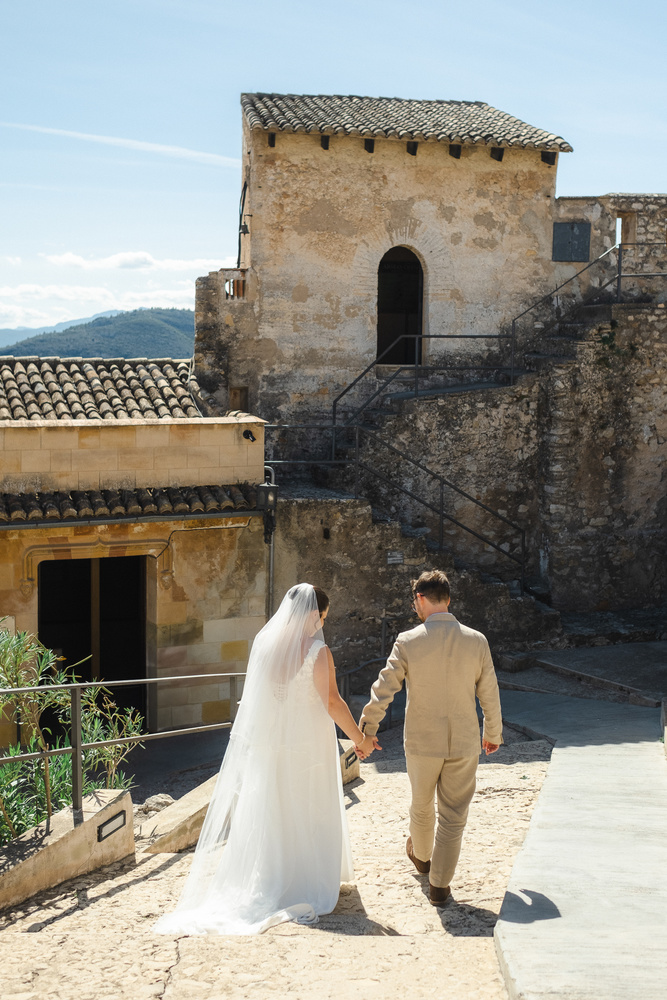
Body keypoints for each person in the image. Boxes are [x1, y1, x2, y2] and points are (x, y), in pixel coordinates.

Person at [155, 583, 375, 935]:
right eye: (322, 617)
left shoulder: (267, 646)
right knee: (307, 807)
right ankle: (305, 879)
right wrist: (360, 739)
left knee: (276, 810)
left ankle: (273, 876)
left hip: (272, 746)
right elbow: (332, 702)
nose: (323, 623)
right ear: (312, 615)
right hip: (307, 746)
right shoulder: (318, 652)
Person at [359, 570, 503, 907]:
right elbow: (490, 692)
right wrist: (492, 732)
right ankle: (440, 886)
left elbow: (384, 689)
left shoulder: (408, 641)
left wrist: (368, 730)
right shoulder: (477, 640)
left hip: (422, 742)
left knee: (421, 805)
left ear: (421, 599)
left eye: (415, 602)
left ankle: (422, 859)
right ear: (448, 599)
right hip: (465, 740)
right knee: (454, 815)